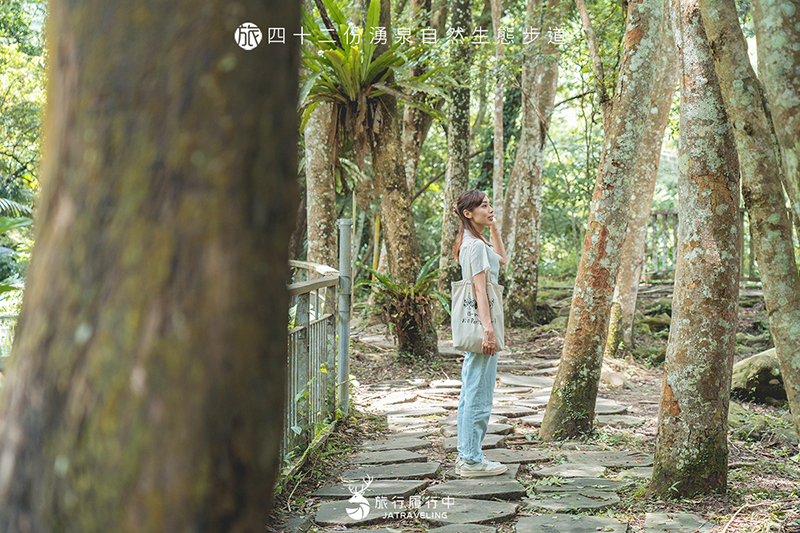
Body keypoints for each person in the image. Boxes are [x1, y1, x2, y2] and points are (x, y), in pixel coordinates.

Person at [452, 190, 508, 478]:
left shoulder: (477, 242)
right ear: (468, 214)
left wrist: (495, 229)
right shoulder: (473, 245)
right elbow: (478, 289)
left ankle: (468, 455)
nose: (489, 209)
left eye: (489, 204)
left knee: (472, 387)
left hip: (481, 323)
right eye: (483, 206)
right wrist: (487, 329)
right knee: (478, 391)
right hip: (481, 324)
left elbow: (502, 260)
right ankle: (472, 461)